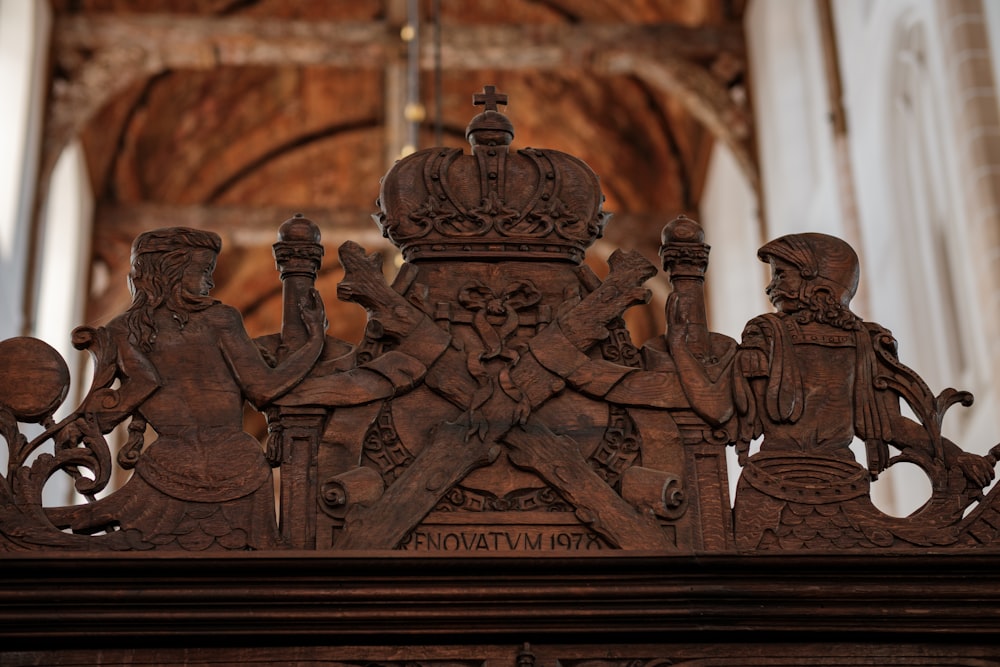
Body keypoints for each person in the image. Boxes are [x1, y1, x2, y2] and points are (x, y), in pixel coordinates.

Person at [669, 232, 995, 549]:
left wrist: (957, 456)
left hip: (840, 494)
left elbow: (889, 425)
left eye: (782, 275)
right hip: (772, 493)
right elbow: (722, 411)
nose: (771, 286)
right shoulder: (767, 334)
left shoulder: (865, 344)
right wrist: (680, 349)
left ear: (817, 277)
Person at [51, 227, 326, 550]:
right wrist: (315, 340)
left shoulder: (123, 329)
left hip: (171, 465)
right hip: (238, 465)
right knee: (258, 572)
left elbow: (134, 390)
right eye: (204, 271)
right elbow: (264, 389)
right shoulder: (221, 319)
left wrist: (80, 424)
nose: (210, 282)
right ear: (173, 271)